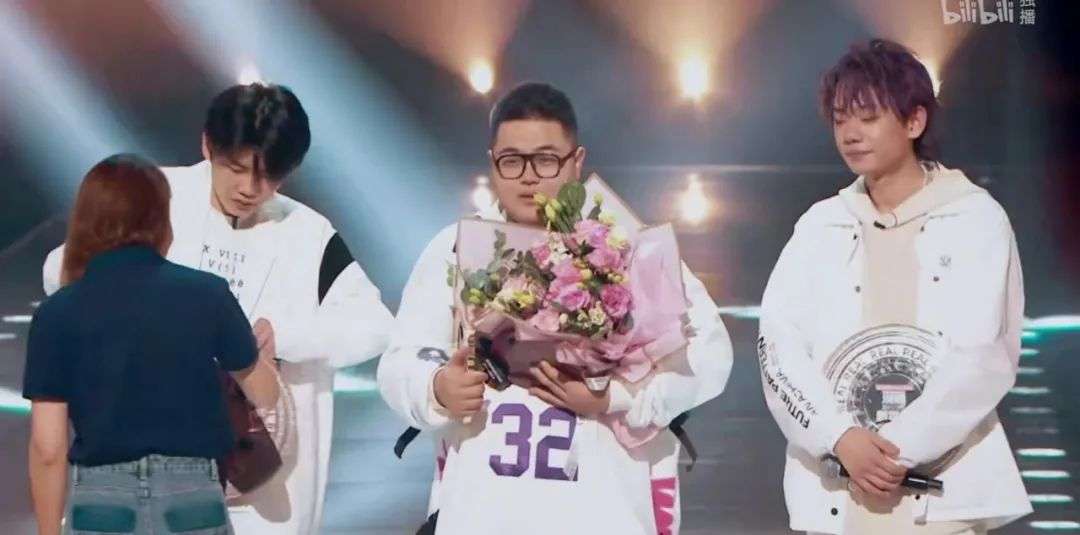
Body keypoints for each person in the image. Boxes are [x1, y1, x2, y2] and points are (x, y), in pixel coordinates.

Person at [377, 82, 733, 534]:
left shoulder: (628, 248)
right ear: (492, 162)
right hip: (482, 511)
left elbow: (710, 356)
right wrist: (437, 388)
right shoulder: (454, 248)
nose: (528, 177)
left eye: (546, 159)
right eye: (512, 160)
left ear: (576, 161)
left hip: (605, 512)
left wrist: (615, 398)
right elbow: (400, 361)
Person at [42, 83, 394, 535]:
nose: (250, 189)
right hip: (144, 468)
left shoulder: (309, 234)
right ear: (207, 144)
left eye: (269, 176)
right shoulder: (155, 195)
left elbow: (375, 325)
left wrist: (286, 334)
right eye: (236, 168)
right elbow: (61, 270)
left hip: (261, 475)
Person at [757, 39, 1031, 534]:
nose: (851, 134)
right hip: (836, 489)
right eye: (840, 119)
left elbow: (985, 356)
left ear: (914, 122)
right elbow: (778, 345)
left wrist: (894, 452)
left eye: (868, 117)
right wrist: (839, 437)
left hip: (941, 494)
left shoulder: (975, 219)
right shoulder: (821, 225)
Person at [24, 153, 279, 535]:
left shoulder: (57, 312)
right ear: (161, 218)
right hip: (192, 498)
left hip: (100, 502)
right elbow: (264, 394)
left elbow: (48, 447)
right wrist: (265, 356)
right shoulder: (207, 294)